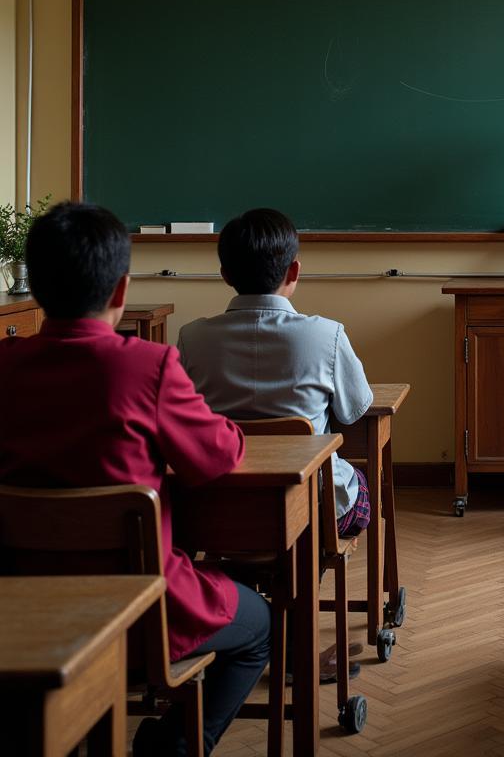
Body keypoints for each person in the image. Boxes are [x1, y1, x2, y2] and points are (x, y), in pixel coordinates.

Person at [0, 202, 270, 757]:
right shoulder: (146, 366)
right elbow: (217, 458)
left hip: (21, 611)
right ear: (120, 290)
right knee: (260, 623)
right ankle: (169, 746)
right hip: (143, 613)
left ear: (35, 287)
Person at [177, 207, 373, 683]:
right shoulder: (326, 335)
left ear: (224, 274)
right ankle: (289, 629)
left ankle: (247, 611)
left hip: (217, 510)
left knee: (247, 534)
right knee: (356, 495)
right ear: (294, 271)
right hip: (309, 511)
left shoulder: (191, 338)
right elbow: (356, 410)